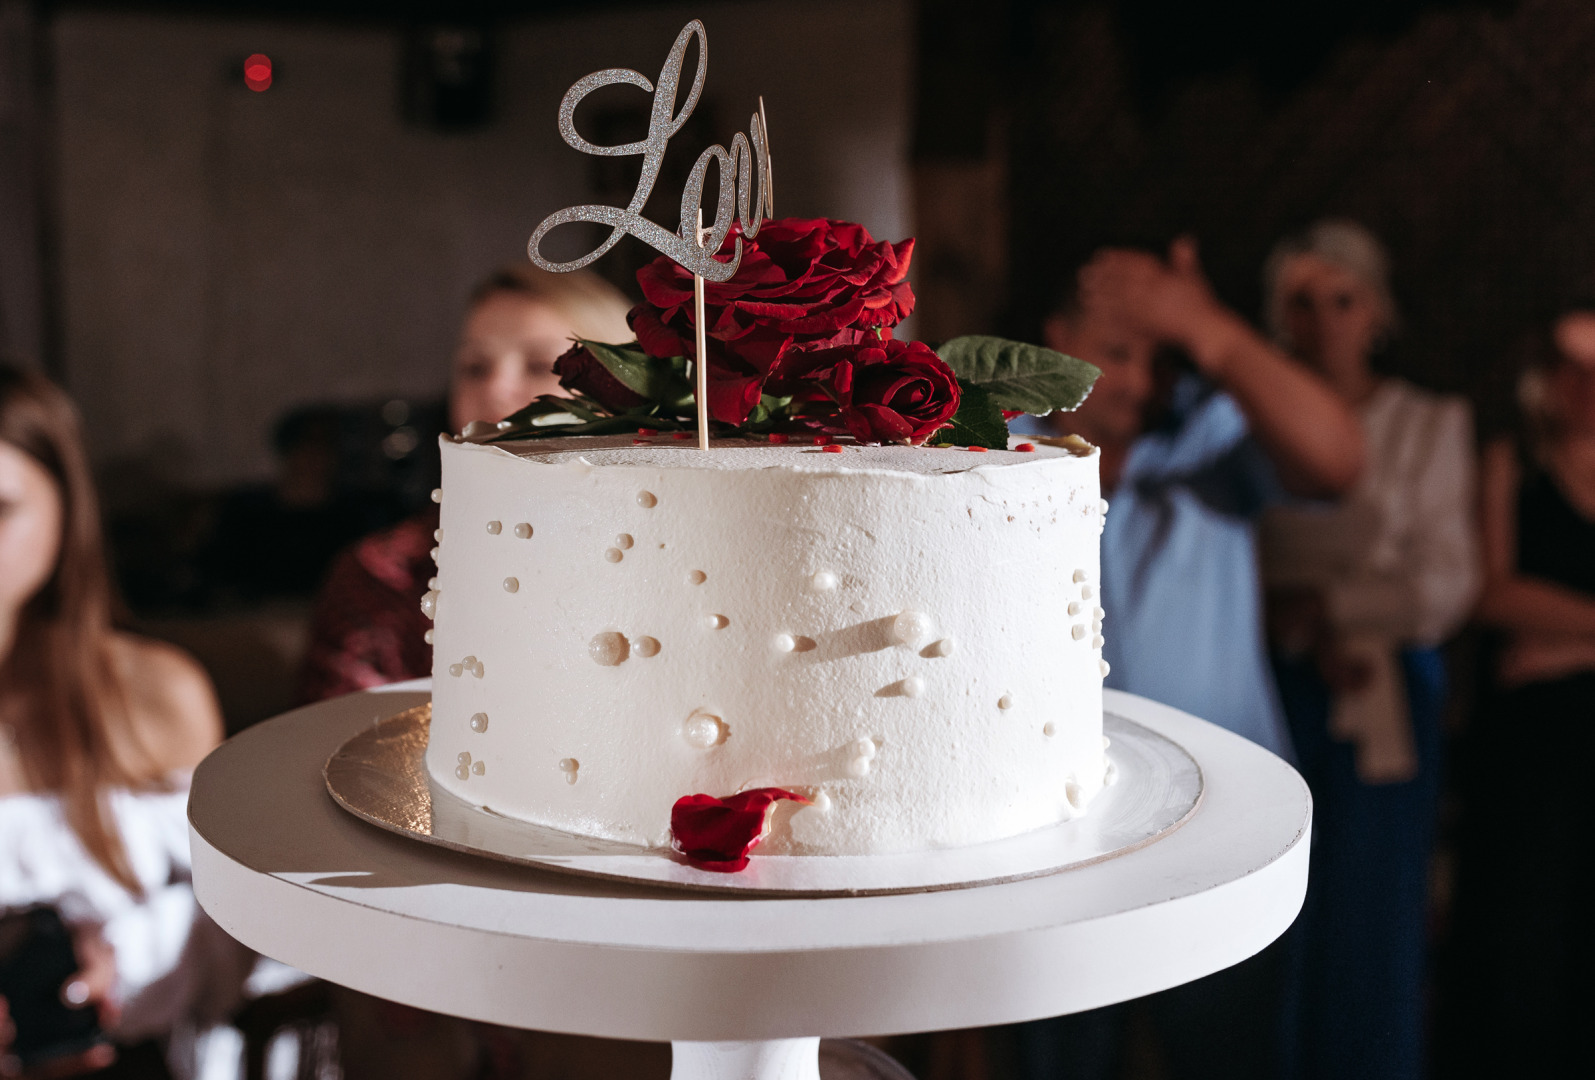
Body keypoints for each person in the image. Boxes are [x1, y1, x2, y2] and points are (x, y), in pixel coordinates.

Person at [1009, 237, 1364, 1080]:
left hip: (1220, 844)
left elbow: (1338, 460)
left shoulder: (1210, 447)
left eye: (1161, 357)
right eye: (1116, 351)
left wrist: (1209, 329)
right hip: (1045, 856)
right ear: (1055, 334)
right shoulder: (991, 456)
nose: (1138, 381)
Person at [1254, 221, 1478, 1079]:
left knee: (1370, 914)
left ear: (1375, 310)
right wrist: (1285, 614)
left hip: (1380, 688)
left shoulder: (1427, 423)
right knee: (1275, 921)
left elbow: (1447, 579)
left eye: (1341, 301)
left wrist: (1338, 605)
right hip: (1271, 684)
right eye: (1301, 304)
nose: (1323, 323)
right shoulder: (1250, 426)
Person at [0, 365, 253, 1078]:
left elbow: (239, 928)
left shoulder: (156, 694)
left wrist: (119, 960)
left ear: (65, 507)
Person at [296, 264, 632, 701]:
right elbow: (336, 749)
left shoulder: (673, 560)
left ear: (627, 391)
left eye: (538, 364)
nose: (495, 389)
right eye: (474, 367)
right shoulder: (383, 576)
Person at [1441, 310, 1595, 1078]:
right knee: (1517, 935)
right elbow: (1491, 596)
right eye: (1573, 367)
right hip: (1526, 745)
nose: (1588, 387)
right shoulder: (1510, 464)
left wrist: (1561, 640)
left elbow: (1525, 611)